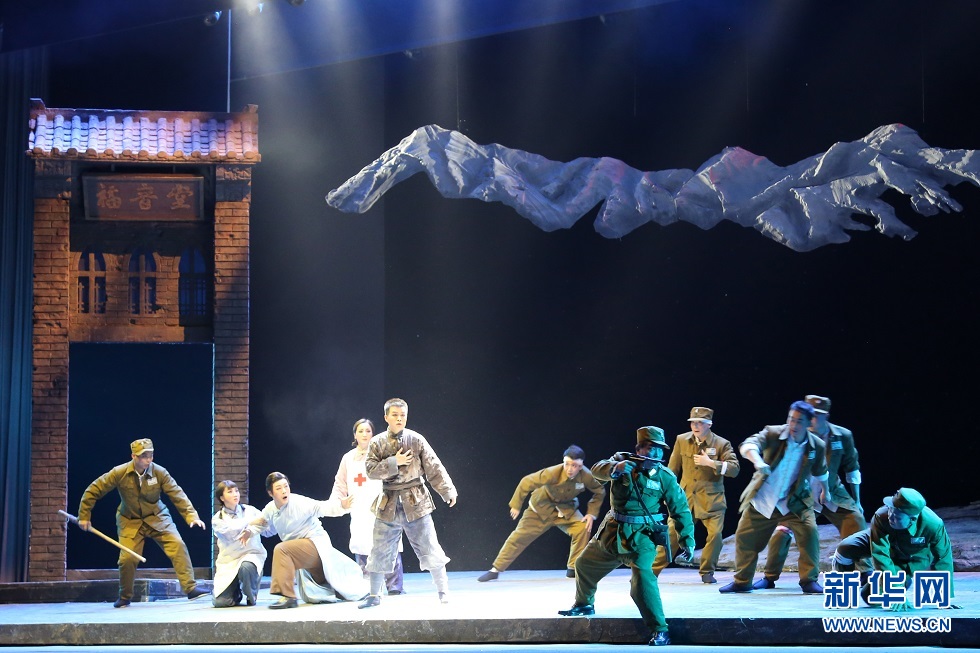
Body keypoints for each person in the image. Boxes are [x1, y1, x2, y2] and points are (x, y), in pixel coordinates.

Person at [558, 426, 694, 647]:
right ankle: (584, 604)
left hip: (642, 537)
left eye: (660, 449)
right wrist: (615, 468)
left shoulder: (665, 477)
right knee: (583, 565)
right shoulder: (621, 462)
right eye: (650, 448)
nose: (656, 454)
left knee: (642, 583)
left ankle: (660, 630)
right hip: (612, 533)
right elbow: (597, 471)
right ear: (639, 449)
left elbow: (680, 510)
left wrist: (687, 540)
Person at [77, 438, 209, 608]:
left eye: (150, 455)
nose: (148, 460)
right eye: (144, 456)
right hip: (129, 520)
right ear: (134, 456)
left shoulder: (159, 472)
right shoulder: (119, 472)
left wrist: (192, 516)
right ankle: (124, 596)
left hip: (157, 516)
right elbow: (93, 490)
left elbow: (177, 494)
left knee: (177, 544)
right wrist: (84, 516)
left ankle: (190, 588)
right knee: (127, 558)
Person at [757, 394, 869, 588]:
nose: (812, 419)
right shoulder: (795, 435)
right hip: (801, 493)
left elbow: (852, 467)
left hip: (831, 491)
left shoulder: (842, 435)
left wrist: (857, 500)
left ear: (826, 416)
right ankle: (769, 577)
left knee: (855, 519)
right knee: (782, 531)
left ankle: (865, 572)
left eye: (816, 415)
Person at [718, 400, 828, 595]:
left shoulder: (816, 445)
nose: (793, 425)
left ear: (809, 422)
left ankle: (809, 581)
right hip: (765, 498)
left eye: (799, 421)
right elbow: (749, 444)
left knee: (810, 536)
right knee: (745, 538)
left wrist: (825, 491)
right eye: (791, 419)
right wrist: (758, 461)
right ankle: (742, 581)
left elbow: (821, 471)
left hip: (796, 501)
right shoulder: (773, 433)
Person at [359, 397, 458, 608]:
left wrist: (447, 490)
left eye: (402, 415)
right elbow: (370, 470)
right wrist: (394, 462)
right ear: (386, 417)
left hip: (416, 502)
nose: (399, 419)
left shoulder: (416, 439)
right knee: (379, 550)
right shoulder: (377, 442)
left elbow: (434, 467)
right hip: (388, 503)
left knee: (430, 546)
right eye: (394, 415)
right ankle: (374, 595)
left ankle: (443, 591)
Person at [477, 444, 606, 581]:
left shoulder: (586, 476)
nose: (570, 469)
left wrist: (591, 514)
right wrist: (516, 505)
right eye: (567, 464)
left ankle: (573, 568)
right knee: (519, 537)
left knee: (583, 527)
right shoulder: (552, 472)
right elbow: (526, 482)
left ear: (580, 466)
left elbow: (600, 491)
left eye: (574, 465)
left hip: (565, 509)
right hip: (540, 509)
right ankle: (495, 570)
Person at [249, 472, 368, 609]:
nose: (284, 491)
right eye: (279, 488)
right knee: (323, 585)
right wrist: (249, 531)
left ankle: (288, 596)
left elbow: (322, 507)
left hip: (315, 544)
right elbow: (265, 526)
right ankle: (336, 590)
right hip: (300, 552)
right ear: (270, 493)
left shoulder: (299, 502)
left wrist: (342, 506)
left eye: (286, 486)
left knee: (282, 550)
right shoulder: (270, 509)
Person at [653, 407, 739, 584]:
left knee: (715, 536)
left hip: (711, 500)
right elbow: (672, 469)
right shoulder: (682, 440)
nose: (695, 426)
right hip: (685, 499)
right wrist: (666, 493)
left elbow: (734, 469)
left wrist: (712, 463)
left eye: (700, 423)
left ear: (709, 424)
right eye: (693, 422)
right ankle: (651, 571)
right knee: (671, 534)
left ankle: (707, 571)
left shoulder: (721, 444)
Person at [832, 487, 956, 609]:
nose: (890, 516)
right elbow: (880, 552)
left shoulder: (933, 525)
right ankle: (845, 590)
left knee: (870, 597)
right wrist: (895, 588)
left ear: (912, 519)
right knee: (845, 548)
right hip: (883, 540)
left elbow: (943, 558)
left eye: (897, 516)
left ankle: (901, 579)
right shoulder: (882, 515)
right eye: (890, 509)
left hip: (909, 557)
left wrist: (944, 597)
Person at [329, 418, 404, 594]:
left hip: (381, 505)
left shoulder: (382, 453)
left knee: (388, 542)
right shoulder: (348, 458)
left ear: (373, 434)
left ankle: (394, 586)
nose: (364, 434)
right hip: (359, 508)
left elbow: (395, 476)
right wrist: (338, 502)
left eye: (368, 431)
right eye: (360, 431)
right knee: (361, 544)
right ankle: (367, 588)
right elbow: (340, 483)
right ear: (355, 435)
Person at [211, 480, 267, 607]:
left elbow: (264, 523)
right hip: (229, 561)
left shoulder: (250, 510)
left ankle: (251, 594)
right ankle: (235, 593)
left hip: (250, 555)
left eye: (236, 491)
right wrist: (250, 522)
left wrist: (252, 528)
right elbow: (230, 533)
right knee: (220, 602)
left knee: (246, 567)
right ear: (222, 498)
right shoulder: (217, 519)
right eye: (230, 492)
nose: (235, 494)